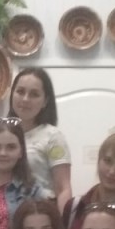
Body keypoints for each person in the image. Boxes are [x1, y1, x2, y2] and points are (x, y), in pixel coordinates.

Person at [8, 67, 71, 208]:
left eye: (34, 94)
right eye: (20, 92)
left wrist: (63, 220)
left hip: (41, 214)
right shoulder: (2, 134)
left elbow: (63, 188)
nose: (25, 99)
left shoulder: (53, 137)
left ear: (45, 101)